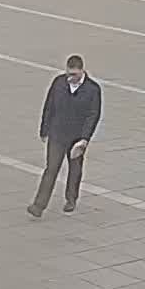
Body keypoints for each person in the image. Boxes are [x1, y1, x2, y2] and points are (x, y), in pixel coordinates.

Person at [29, 55, 101, 217]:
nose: (70, 78)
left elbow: (93, 115)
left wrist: (84, 139)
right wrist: (44, 129)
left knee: (75, 169)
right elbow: (49, 105)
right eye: (69, 74)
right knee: (51, 168)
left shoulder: (92, 89)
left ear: (82, 71)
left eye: (74, 75)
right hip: (57, 134)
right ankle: (38, 205)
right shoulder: (59, 82)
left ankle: (71, 198)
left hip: (77, 137)